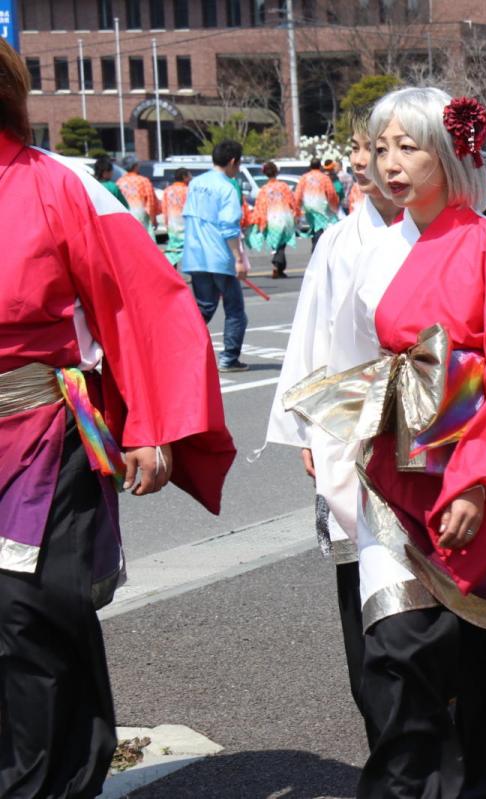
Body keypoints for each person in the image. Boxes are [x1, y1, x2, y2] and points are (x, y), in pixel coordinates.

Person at [284, 87, 486, 797]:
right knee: (397, 659)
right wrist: (323, 442)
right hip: (392, 476)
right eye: (381, 147)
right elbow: (342, 359)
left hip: (477, 475)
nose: (391, 163)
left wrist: (477, 476)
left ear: (449, 151)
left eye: (409, 146)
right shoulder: (360, 245)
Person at [0, 42, 235, 796]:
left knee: (27, 610)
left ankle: (45, 782)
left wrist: (152, 425)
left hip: (41, 432)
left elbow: (143, 298)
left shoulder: (57, 183)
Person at [265, 109, 403, 750]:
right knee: (360, 571)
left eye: (385, 147)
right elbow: (310, 342)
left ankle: (433, 704)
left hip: (430, 425)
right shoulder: (338, 241)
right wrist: (305, 429)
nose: (365, 160)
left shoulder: (458, 236)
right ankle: (382, 720)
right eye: (363, 147)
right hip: (351, 425)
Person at [182, 139, 252, 373]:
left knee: (204, 308)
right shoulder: (227, 187)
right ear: (233, 161)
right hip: (219, 257)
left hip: (194, 255)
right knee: (235, 311)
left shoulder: (195, 184)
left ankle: (180, 348)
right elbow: (229, 227)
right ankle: (229, 358)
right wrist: (239, 259)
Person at [248, 161, 302, 279]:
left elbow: (260, 206)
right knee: (282, 242)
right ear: (276, 172)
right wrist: (297, 214)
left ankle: (278, 265)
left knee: (276, 242)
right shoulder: (283, 186)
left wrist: (258, 220)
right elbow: (292, 201)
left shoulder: (264, 189)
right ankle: (278, 264)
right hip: (285, 215)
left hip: (271, 218)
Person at [295, 157, 341, 250]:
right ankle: (317, 250)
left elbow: (298, 194)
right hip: (321, 206)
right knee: (320, 229)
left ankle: (316, 248)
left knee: (314, 228)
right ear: (320, 166)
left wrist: (297, 209)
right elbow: (331, 194)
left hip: (308, 207)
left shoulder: (304, 178)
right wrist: (334, 206)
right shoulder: (324, 178)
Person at [117, 156, 160, 239]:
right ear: (135, 166)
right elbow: (150, 201)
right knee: (143, 238)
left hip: (125, 213)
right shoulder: (143, 180)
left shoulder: (120, 182)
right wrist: (153, 219)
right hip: (140, 213)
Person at [161, 167, 191, 266]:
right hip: (187, 224)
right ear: (184, 177)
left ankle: (172, 272)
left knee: (172, 249)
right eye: (189, 175)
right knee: (189, 249)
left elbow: (164, 209)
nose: (191, 177)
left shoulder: (167, 190)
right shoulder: (188, 190)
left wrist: (166, 223)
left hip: (173, 223)